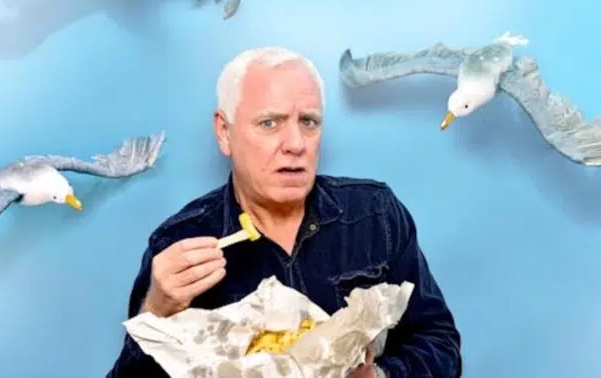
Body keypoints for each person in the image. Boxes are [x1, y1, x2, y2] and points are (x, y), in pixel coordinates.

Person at [106, 46, 462, 377]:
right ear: (224, 132)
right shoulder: (179, 242)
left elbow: (439, 342)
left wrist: (379, 376)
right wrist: (157, 309)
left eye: (308, 122)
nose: (295, 144)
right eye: (269, 123)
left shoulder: (375, 214)